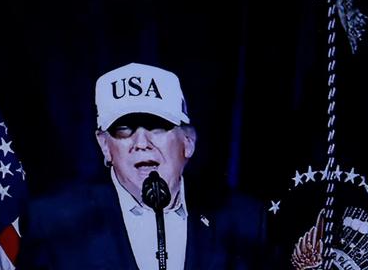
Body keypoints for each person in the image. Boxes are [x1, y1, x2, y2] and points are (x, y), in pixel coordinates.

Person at [18, 63, 269, 269]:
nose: (141, 143)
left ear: (188, 142)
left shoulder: (244, 220)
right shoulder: (53, 224)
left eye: (157, 126)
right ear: (105, 146)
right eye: (124, 129)